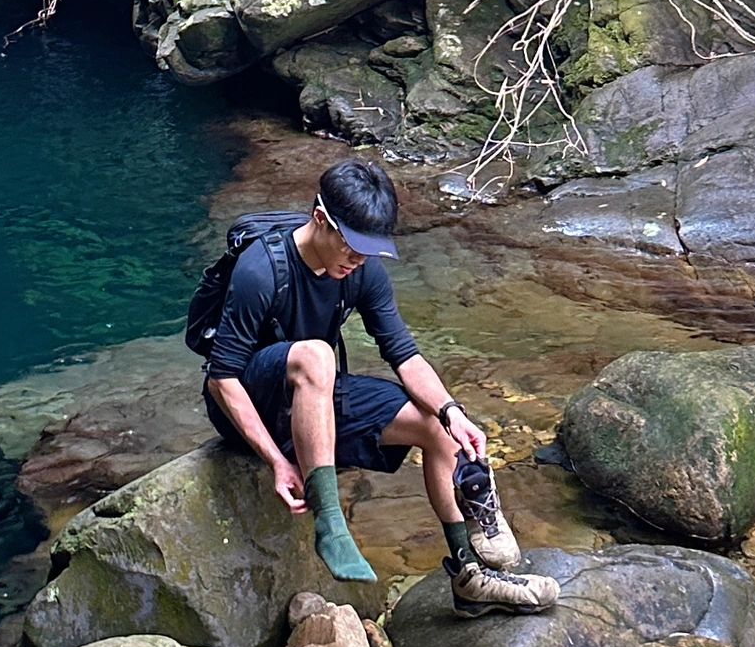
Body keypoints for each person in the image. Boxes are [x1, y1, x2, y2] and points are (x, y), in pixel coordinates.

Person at [204, 157, 557, 615]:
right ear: (320, 220)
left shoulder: (362, 270)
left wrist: (454, 412)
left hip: (315, 394)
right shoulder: (260, 270)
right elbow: (221, 377)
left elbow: (406, 357)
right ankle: (330, 523)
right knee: (316, 353)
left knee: (436, 427)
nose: (358, 261)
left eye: (368, 251)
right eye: (351, 248)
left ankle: (471, 576)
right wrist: (275, 459)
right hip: (251, 397)